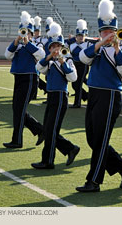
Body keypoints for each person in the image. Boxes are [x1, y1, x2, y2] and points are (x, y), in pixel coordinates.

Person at [76, 0, 122, 192]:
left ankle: (94, 181)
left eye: (111, 31)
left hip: (110, 96)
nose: (108, 34)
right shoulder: (95, 46)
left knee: (100, 141)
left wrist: (116, 47)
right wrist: (101, 43)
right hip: (94, 94)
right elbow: (83, 58)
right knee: (92, 139)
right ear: (99, 32)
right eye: (104, 31)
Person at [32, 22, 80, 169]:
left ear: (62, 47)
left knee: (51, 130)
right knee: (48, 129)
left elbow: (73, 78)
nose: (56, 49)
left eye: (58, 46)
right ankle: (70, 148)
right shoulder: (49, 61)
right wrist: (48, 57)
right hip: (51, 96)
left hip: (60, 97)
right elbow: (38, 68)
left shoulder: (68, 60)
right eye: (53, 47)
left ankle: (48, 160)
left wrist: (62, 62)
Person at [3, 11, 45, 148]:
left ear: (32, 34)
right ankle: (40, 130)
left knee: (19, 110)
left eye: (28, 32)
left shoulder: (36, 45)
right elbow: (7, 55)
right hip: (18, 78)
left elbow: (41, 55)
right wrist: (16, 42)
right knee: (17, 109)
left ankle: (17, 140)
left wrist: (27, 43)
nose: (24, 34)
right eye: (23, 32)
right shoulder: (17, 45)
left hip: (30, 78)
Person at [69, 19, 90, 108]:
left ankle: (77, 103)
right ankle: (86, 96)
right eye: (79, 36)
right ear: (76, 36)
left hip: (83, 65)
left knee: (78, 84)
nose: (81, 37)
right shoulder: (72, 45)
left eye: (82, 36)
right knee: (74, 84)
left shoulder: (88, 44)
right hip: (75, 65)